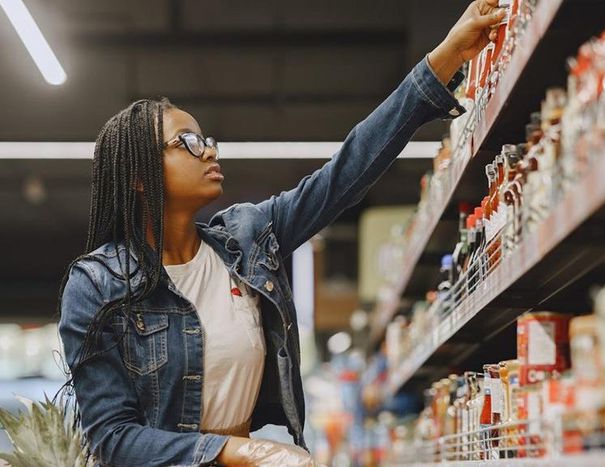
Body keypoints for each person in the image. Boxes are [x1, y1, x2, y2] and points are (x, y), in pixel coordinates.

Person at [57, 1, 506, 465]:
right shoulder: (97, 286)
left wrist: (446, 57)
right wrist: (239, 451)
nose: (209, 150)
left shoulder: (245, 239)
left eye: (207, 139)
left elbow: (345, 173)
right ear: (138, 175)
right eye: (188, 142)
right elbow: (112, 438)